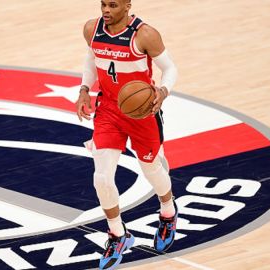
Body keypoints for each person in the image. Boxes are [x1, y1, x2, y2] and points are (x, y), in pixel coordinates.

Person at [75, 0, 179, 269]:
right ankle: (117, 234)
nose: (106, 10)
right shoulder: (92, 29)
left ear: (127, 5)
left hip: (142, 112)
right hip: (108, 109)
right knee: (101, 177)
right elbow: (91, 59)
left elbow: (170, 69)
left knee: (151, 169)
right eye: (102, 4)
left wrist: (163, 92)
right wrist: (84, 88)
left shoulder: (144, 34)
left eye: (112, 5)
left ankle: (168, 213)